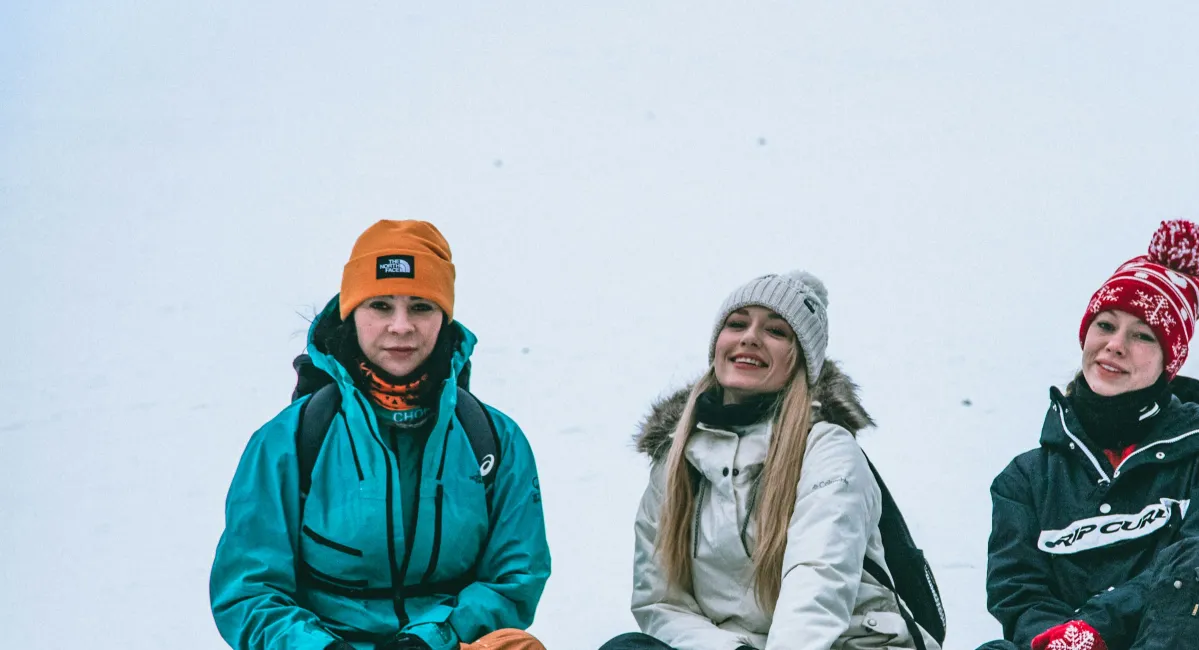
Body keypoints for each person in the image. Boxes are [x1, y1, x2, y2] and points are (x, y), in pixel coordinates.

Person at [210, 220, 551, 650]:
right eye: (381, 306)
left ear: (445, 318)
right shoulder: (288, 442)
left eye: (422, 307)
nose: (401, 326)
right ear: (352, 314)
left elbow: (516, 577)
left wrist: (431, 640)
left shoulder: (495, 440)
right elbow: (249, 590)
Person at [601, 271, 936, 650]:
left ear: (801, 360)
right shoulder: (676, 459)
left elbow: (817, 581)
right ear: (717, 344)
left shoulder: (826, 448)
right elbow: (661, 603)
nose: (749, 337)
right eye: (737, 323)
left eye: (776, 331)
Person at [983, 221, 1199, 650]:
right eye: (1105, 326)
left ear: (1168, 361)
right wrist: (1064, 640)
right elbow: (1019, 596)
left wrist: (1097, 627)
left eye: (1142, 336)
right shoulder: (1025, 480)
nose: (1115, 345)